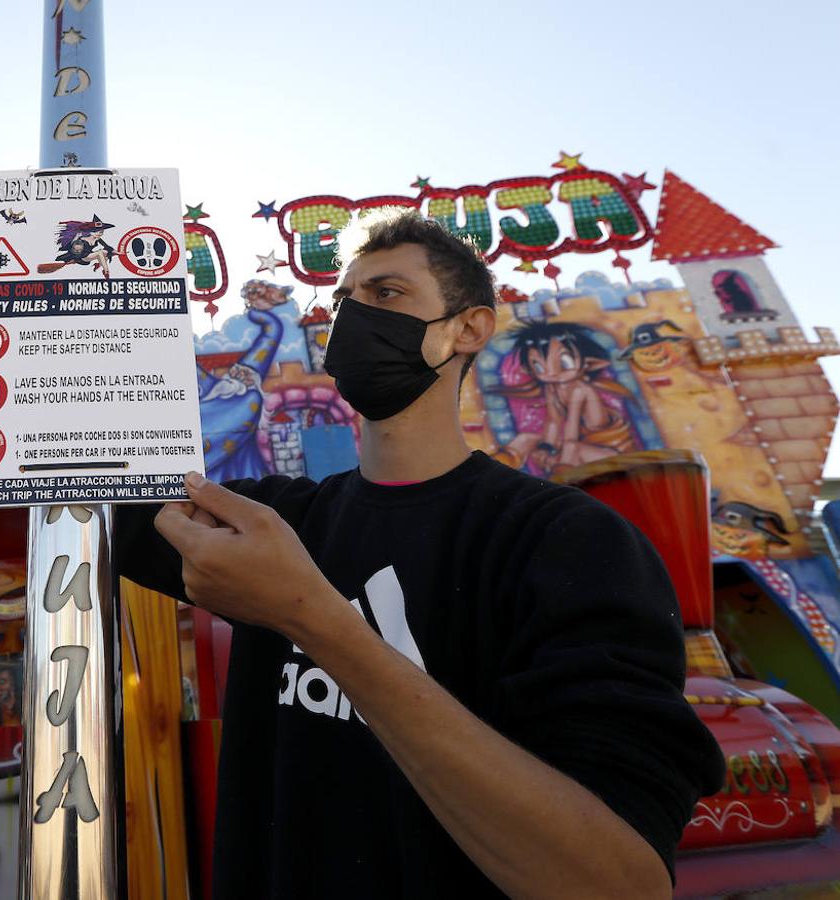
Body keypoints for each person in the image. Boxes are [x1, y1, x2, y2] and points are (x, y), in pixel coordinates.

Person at [116, 211, 723, 898]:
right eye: (343, 302)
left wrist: (312, 617)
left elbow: (617, 882)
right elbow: (91, 494)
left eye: (386, 295)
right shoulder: (275, 521)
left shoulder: (566, 541)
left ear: (468, 329)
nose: (352, 318)